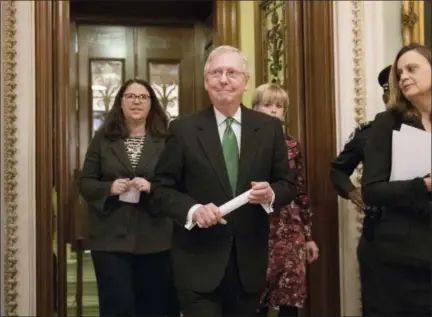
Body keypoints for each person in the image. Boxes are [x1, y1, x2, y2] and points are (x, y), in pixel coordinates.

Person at [149, 45, 297, 317]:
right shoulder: (183, 129)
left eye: (232, 72)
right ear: (206, 81)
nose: (224, 79)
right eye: (216, 72)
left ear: (245, 82)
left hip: (248, 266)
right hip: (196, 264)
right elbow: (161, 189)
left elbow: (287, 184)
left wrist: (271, 194)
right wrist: (193, 210)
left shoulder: (269, 128)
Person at [78, 78, 179, 317]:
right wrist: (110, 188)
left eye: (143, 97)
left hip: (157, 239)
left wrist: (151, 187)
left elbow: (179, 184)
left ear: (151, 104)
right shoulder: (102, 138)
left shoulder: (167, 140)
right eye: (130, 96)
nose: (137, 102)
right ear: (120, 102)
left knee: (156, 307)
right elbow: (85, 182)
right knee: (117, 308)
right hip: (110, 239)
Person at [362, 43, 432, 315]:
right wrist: (424, 185)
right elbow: (371, 190)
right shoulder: (387, 122)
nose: (403, 76)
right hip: (398, 258)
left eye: (412, 68)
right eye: (399, 72)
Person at [251, 83, 319, 317]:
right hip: (257, 226)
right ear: (255, 108)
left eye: (279, 106)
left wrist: (309, 237)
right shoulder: (245, 143)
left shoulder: (292, 145)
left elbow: (300, 190)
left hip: (290, 228)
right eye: (267, 105)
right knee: (256, 296)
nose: (273, 110)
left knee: (290, 296)